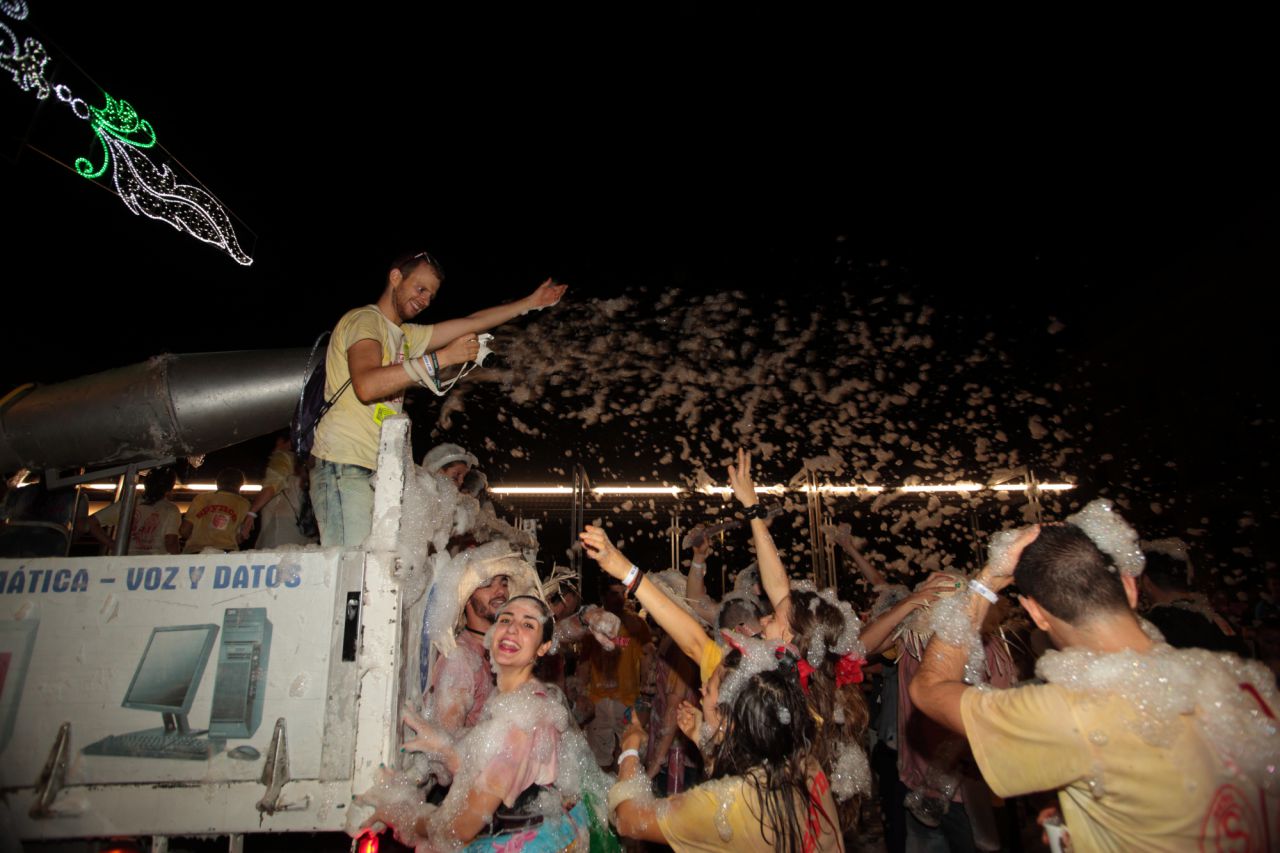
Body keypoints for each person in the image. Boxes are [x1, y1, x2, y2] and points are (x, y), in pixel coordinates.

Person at [909, 502, 1280, 851]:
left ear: (1036, 614)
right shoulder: (1241, 682)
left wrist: (987, 580)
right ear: (1130, 587)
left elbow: (929, 690)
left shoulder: (1071, 712)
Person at [309, 250, 566, 547]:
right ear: (395, 277)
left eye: (431, 296)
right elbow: (366, 386)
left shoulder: (406, 336)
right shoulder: (365, 321)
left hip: (379, 470)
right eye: (420, 289)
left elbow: (472, 322)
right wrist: (442, 358)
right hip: (346, 465)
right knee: (353, 568)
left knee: (377, 568)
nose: (425, 300)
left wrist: (530, 303)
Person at [395, 595, 615, 851]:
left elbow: (462, 827)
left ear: (543, 648)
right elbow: (493, 768)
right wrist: (447, 750)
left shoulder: (524, 719)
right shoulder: (513, 699)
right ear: (491, 634)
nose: (512, 629)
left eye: (528, 624)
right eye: (506, 620)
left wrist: (401, 815)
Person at [609, 632, 845, 852]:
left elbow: (628, 821)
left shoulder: (724, 804)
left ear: (728, 721)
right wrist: (704, 739)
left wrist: (630, 747)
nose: (701, 690)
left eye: (709, 689)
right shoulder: (804, 762)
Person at [240, 433, 314, 549]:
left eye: (278, 443)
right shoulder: (309, 463)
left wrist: (251, 513)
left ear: (288, 442)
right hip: (306, 537)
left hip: (280, 535)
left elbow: (272, 485)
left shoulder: (283, 457)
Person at [92, 467, 181, 555]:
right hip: (153, 560)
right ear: (170, 487)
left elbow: (90, 523)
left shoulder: (128, 504)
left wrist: (114, 545)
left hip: (124, 558)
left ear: (146, 484)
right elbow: (171, 542)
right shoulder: (170, 509)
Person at [180, 468, 249, 553]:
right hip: (226, 554)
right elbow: (241, 537)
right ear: (241, 484)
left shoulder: (201, 498)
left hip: (196, 552)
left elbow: (184, 530)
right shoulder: (244, 504)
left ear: (217, 482)